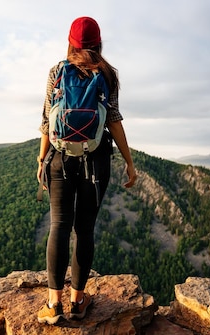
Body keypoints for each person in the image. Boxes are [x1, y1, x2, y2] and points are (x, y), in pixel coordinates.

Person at [36, 16, 137, 324]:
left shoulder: (57, 71)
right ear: (98, 43)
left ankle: (54, 305)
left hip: (60, 159)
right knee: (84, 229)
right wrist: (129, 162)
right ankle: (78, 302)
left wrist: (41, 160)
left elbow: (45, 119)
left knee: (59, 226)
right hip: (95, 160)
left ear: (71, 42)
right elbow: (114, 119)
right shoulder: (107, 74)